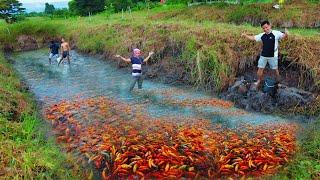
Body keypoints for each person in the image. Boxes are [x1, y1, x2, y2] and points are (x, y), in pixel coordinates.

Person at [241, 20, 288, 90]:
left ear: (269, 26)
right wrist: (245, 35)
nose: (265, 29)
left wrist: (287, 34)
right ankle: (258, 81)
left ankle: (279, 82)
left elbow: (284, 36)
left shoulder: (276, 33)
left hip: (273, 56)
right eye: (264, 28)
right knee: (260, 69)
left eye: (266, 27)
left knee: (275, 70)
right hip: (263, 55)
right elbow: (253, 38)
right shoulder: (262, 35)